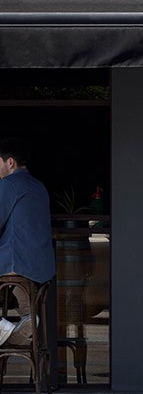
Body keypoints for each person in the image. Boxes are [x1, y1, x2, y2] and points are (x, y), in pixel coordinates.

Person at [0, 139, 55, 345]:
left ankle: (3, 328)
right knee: (29, 313)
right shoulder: (39, 186)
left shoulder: (9, 184)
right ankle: (22, 326)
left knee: (17, 286)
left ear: (10, 162)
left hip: (15, 262)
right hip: (40, 267)